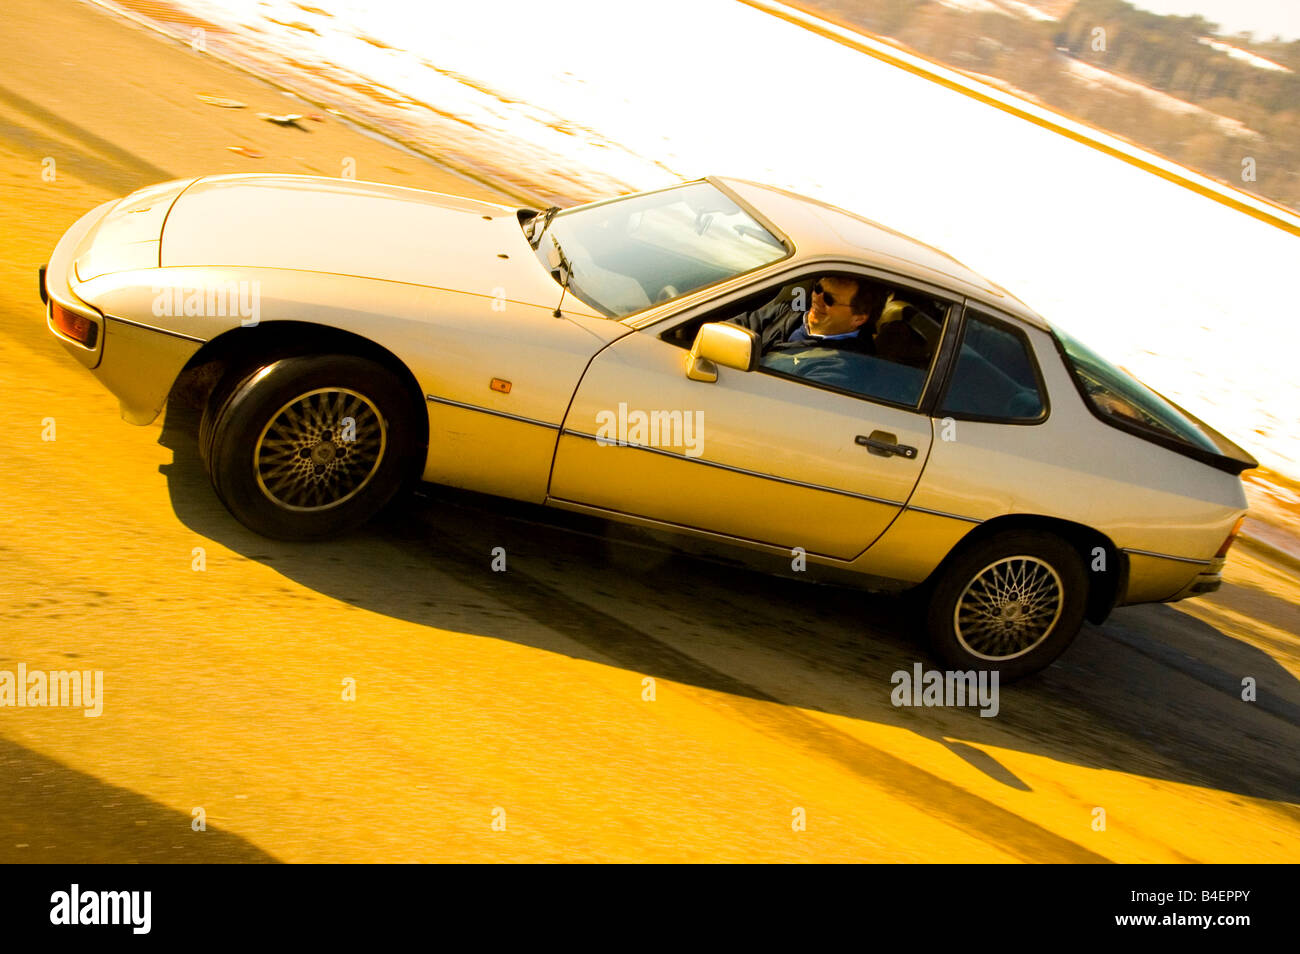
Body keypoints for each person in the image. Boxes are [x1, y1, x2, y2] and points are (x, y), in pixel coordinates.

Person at [728, 274, 881, 356]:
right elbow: (729, 329)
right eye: (818, 289)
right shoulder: (787, 312)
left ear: (859, 318)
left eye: (829, 299)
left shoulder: (848, 363)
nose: (816, 299)